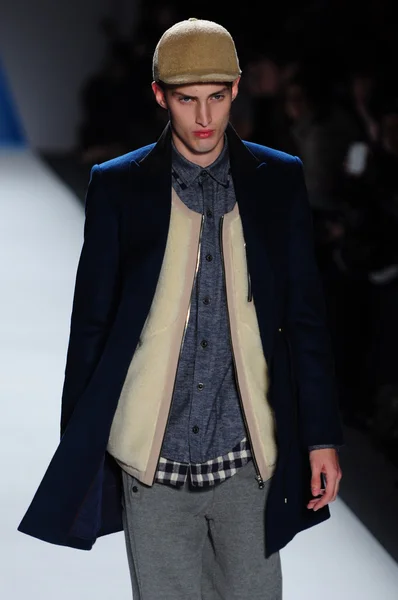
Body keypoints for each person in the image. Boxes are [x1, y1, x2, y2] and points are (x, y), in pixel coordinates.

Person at [18, 18, 344, 599]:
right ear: (159, 95)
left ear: (237, 90)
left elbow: (304, 318)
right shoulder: (118, 187)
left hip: (249, 456)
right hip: (154, 461)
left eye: (216, 98)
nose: (203, 118)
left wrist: (320, 436)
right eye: (187, 99)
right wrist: (83, 445)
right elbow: (91, 327)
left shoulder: (277, 181)